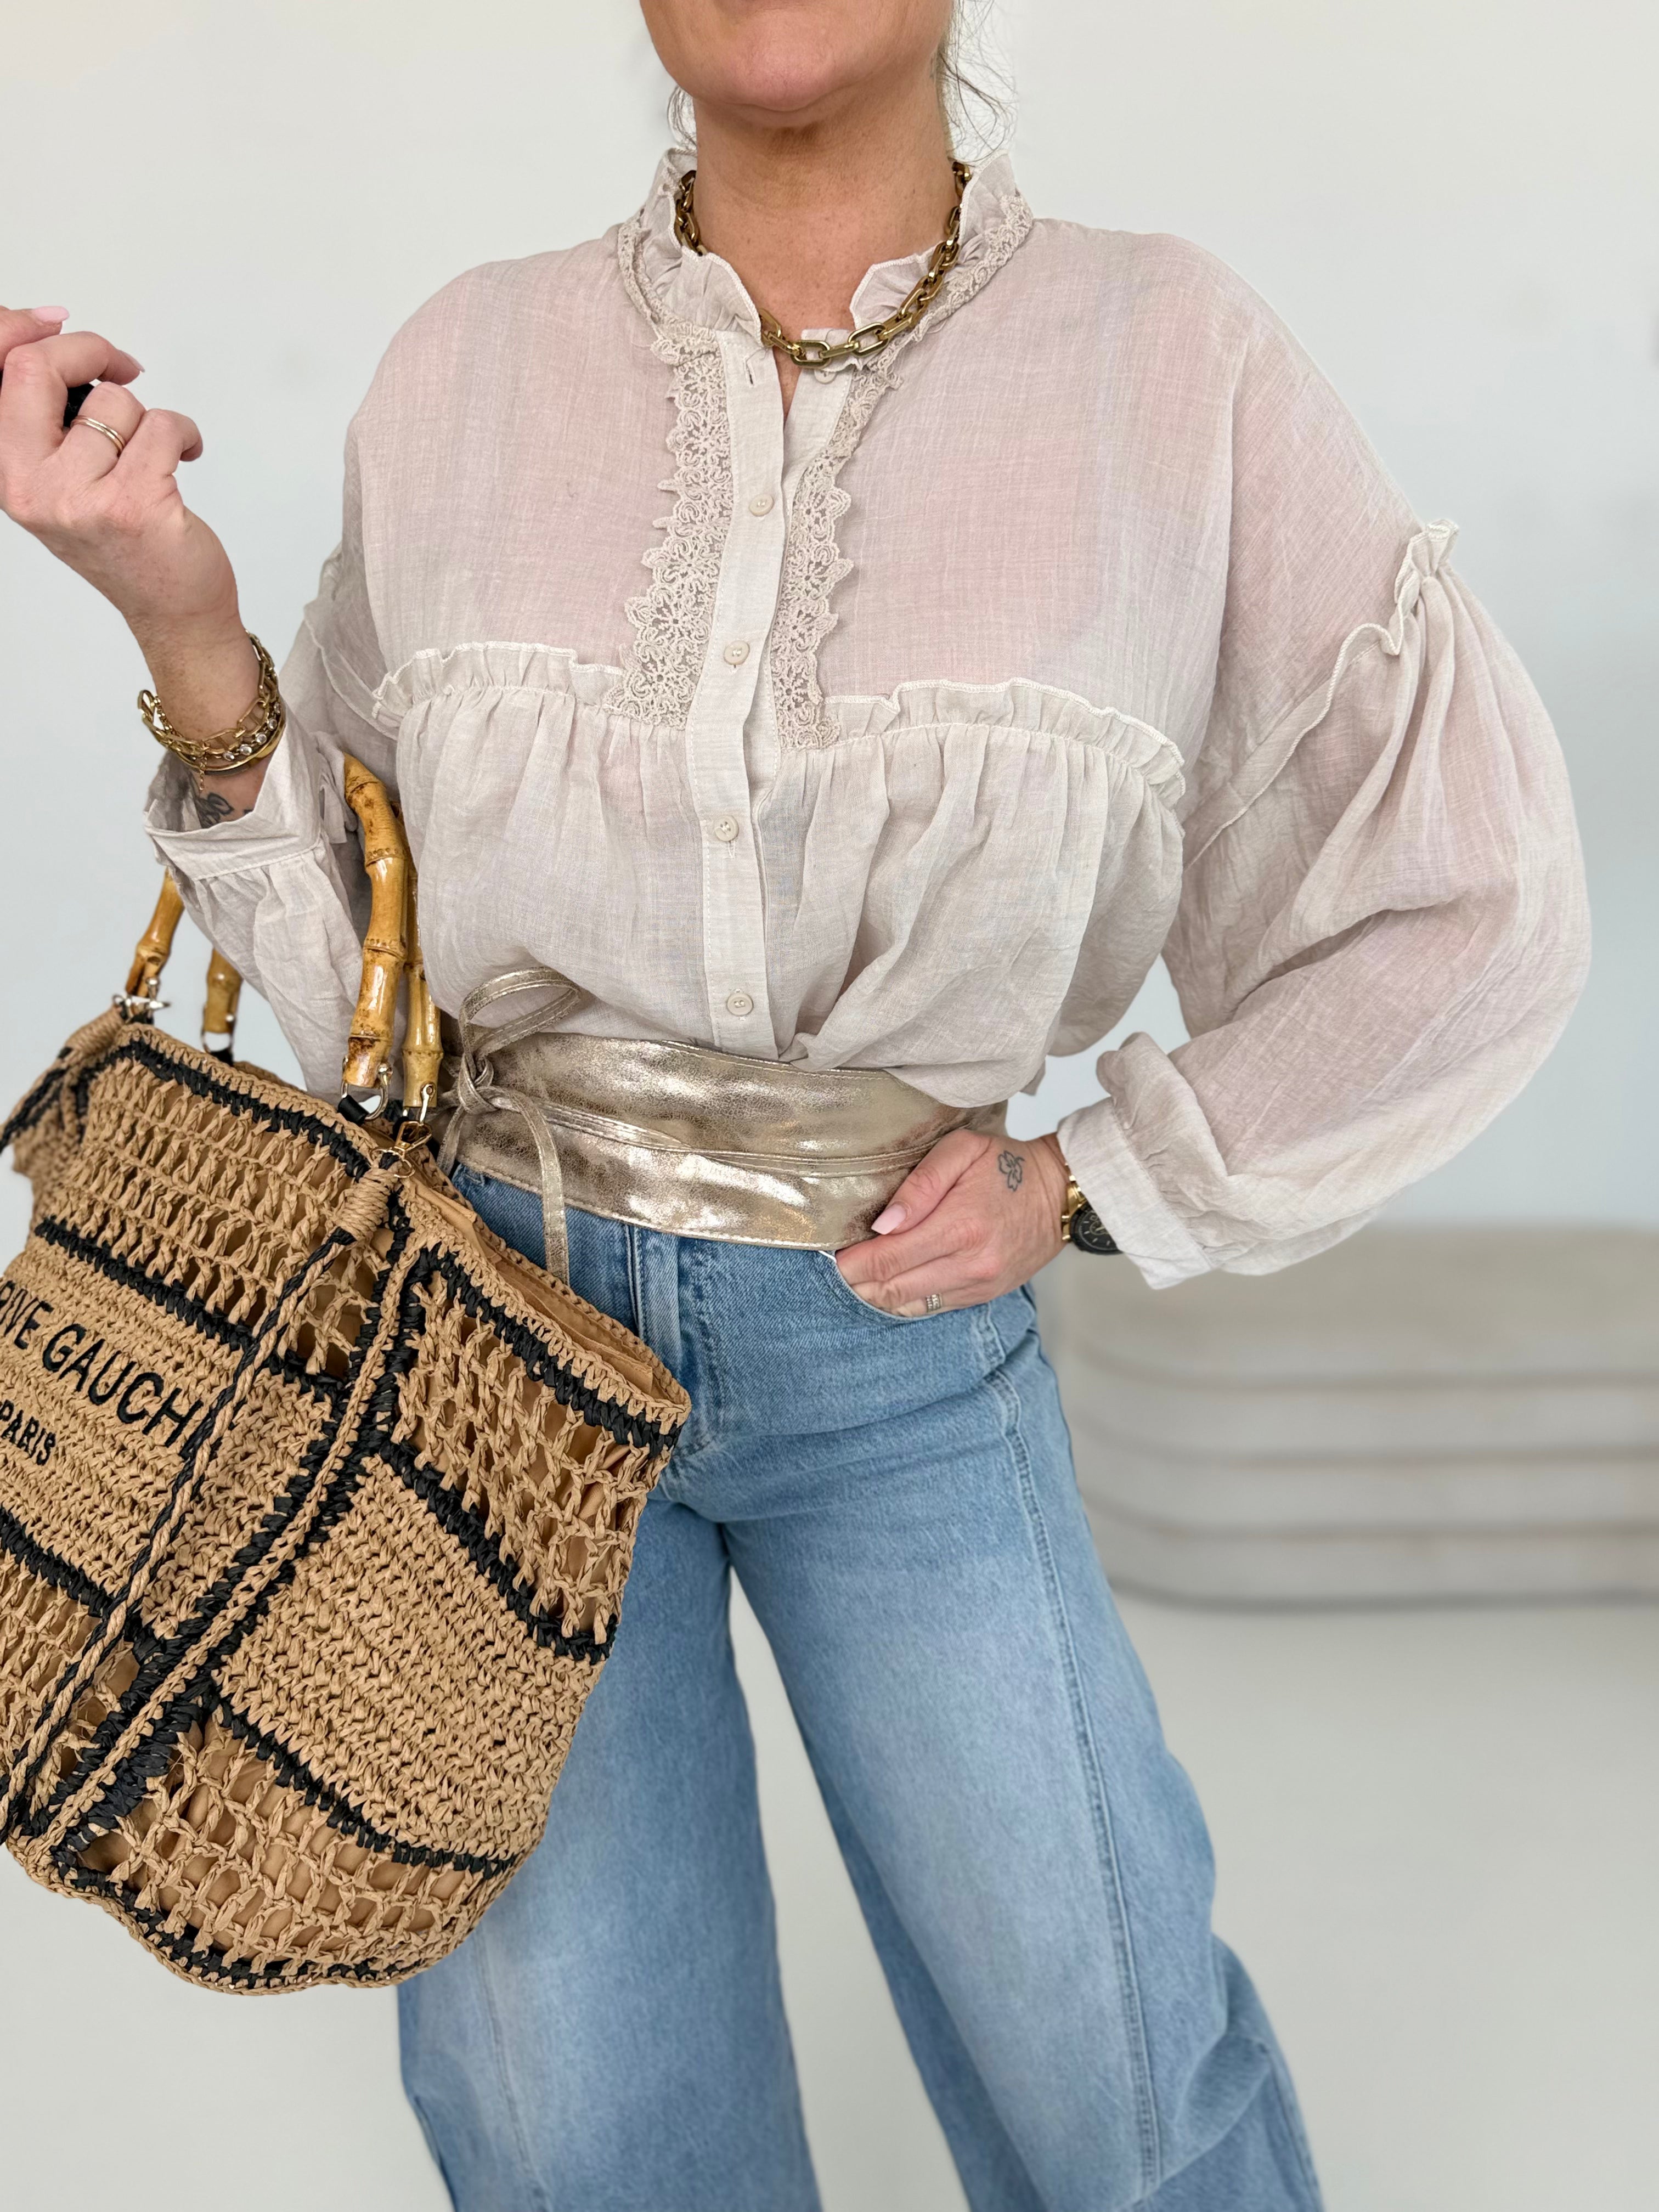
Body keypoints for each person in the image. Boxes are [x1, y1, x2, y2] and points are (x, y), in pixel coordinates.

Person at [0, 1, 1588, 2205]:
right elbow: (370, 1006)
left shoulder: (1172, 363)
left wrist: (1092, 1175)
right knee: (583, 2136)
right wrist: (178, 618)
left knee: (1121, 2089)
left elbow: (1468, 897)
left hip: (899, 1343)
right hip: (477, 1352)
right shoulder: (466, 365)